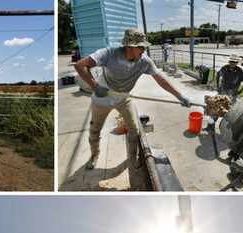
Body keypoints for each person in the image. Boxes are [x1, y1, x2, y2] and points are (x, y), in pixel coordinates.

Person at [74, 28, 193, 170]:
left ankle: (132, 156)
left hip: (124, 98)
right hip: (102, 98)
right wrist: (95, 86)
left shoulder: (144, 61)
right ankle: (94, 155)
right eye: (141, 47)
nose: (144, 50)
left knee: (134, 129)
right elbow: (80, 65)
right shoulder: (109, 53)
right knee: (94, 130)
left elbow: (161, 79)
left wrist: (179, 96)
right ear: (130, 46)